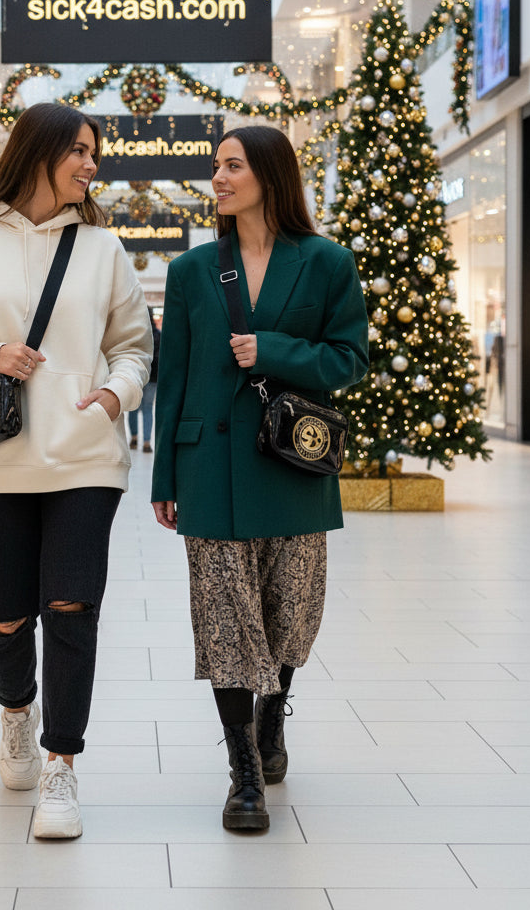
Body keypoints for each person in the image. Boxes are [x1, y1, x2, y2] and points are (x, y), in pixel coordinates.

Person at [0, 103, 153, 839]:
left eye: (94, 153)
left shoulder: (103, 249)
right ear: (38, 152)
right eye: (79, 150)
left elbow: (136, 344)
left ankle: (62, 766)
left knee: (72, 609)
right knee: (7, 612)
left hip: (85, 458)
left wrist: (116, 394)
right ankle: (17, 711)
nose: (91, 164)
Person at [151, 126, 368, 831]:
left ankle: (273, 714)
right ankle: (244, 773)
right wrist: (163, 476)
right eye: (215, 166)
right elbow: (173, 378)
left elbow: (348, 360)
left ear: (270, 176)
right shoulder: (190, 273)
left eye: (232, 165)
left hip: (293, 467)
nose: (218, 177)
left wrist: (270, 349)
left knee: (287, 616)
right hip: (209, 468)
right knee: (224, 620)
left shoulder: (327, 263)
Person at [128, 306, 159, 452]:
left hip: (138, 375)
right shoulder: (158, 335)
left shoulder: (136, 334)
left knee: (133, 407)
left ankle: (134, 438)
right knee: (147, 408)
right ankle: (147, 442)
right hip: (153, 378)